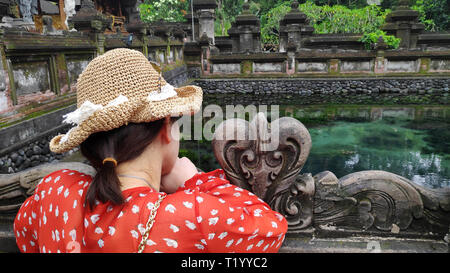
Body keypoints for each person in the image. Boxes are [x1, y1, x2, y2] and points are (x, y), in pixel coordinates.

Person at [13, 48, 288, 253]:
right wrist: (193, 180)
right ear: (166, 127)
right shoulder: (190, 213)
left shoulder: (56, 190)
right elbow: (271, 227)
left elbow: (25, 235)